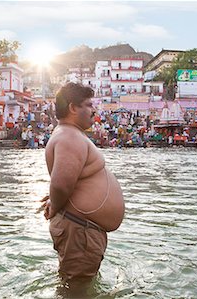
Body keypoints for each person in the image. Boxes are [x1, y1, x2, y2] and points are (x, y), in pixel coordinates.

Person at [40, 83, 125, 289]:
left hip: (81, 230)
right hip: (80, 231)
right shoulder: (69, 136)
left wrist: (55, 202)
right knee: (76, 290)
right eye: (88, 105)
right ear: (72, 108)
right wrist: (56, 204)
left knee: (75, 286)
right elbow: (60, 185)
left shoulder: (68, 134)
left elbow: (68, 182)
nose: (93, 110)